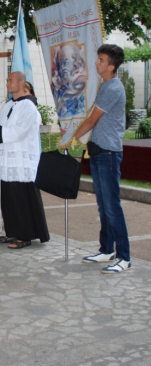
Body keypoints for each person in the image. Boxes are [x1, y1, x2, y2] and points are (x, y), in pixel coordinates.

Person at [74, 44, 130, 273]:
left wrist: (71, 137)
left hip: (108, 153)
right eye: (98, 58)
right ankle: (107, 249)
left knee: (111, 206)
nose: (97, 62)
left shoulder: (112, 88)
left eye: (101, 59)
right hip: (99, 152)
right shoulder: (106, 85)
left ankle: (124, 257)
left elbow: (92, 120)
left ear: (111, 66)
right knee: (103, 205)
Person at [0, 71, 49, 249]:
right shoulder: (8, 106)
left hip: (21, 161)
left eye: (10, 80)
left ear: (21, 83)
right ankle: (13, 231)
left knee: (21, 197)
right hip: (7, 160)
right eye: (7, 80)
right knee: (8, 197)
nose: (7, 83)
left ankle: (25, 235)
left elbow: (19, 131)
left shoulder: (29, 107)